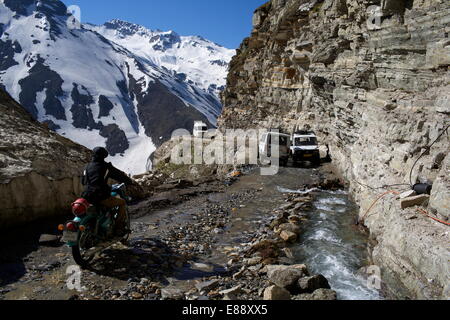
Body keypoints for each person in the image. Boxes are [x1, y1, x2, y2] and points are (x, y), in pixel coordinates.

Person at [81, 147, 134, 235]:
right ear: (104, 156)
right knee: (122, 203)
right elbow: (119, 175)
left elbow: (83, 182)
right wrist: (129, 181)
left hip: (86, 197)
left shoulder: (86, 167)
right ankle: (118, 228)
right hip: (100, 196)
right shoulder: (105, 166)